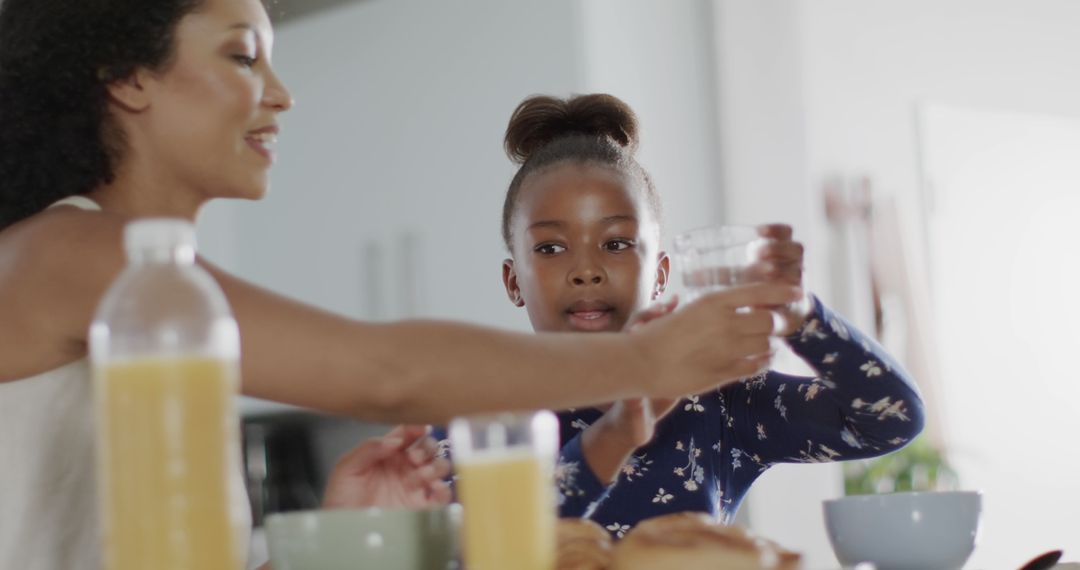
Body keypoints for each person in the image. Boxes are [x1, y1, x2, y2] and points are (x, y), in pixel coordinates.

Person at [0, 0, 802, 568]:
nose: (282, 92)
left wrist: (337, 539)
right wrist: (652, 361)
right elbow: (386, 372)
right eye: (243, 54)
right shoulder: (72, 254)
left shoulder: (158, 294)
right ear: (126, 78)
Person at [442, 93, 926, 536]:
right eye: (550, 247)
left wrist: (802, 316)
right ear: (513, 281)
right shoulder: (469, 418)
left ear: (660, 274)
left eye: (616, 243)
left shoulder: (720, 401)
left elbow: (891, 419)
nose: (586, 270)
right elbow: (478, 549)